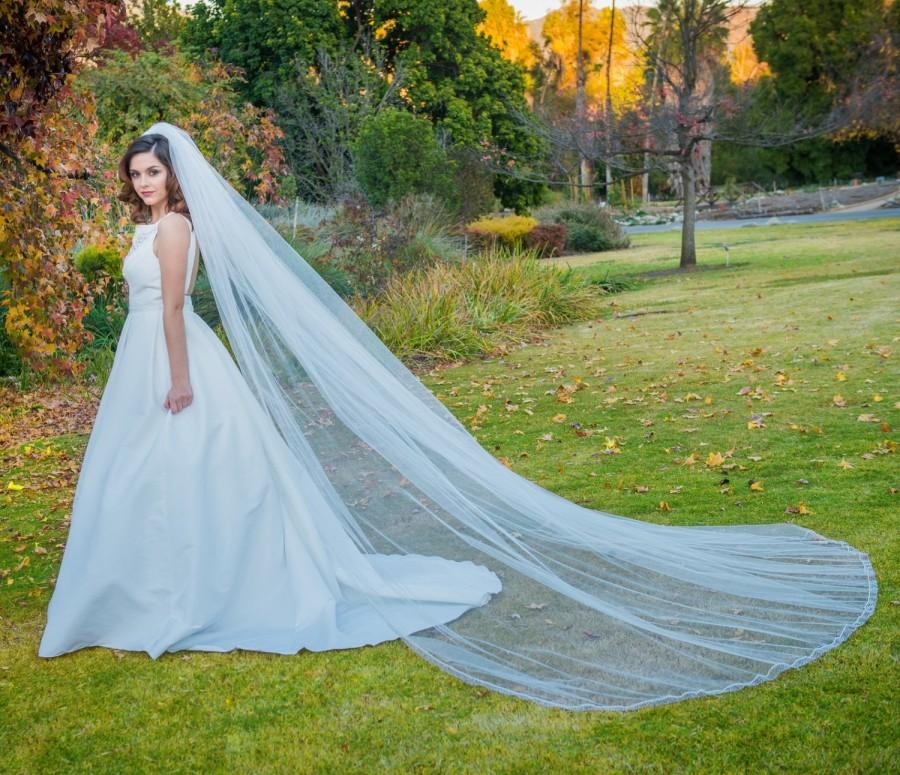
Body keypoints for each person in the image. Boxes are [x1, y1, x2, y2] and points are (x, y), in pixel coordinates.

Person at [37, 123, 878, 712]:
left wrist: (179, 380)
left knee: (196, 473)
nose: (146, 182)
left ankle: (196, 589)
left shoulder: (178, 228)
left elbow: (179, 310)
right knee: (138, 480)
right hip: (138, 364)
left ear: (175, 180)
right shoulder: (143, 228)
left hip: (174, 364)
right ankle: (140, 592)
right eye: (138, 173)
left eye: (155, 172)